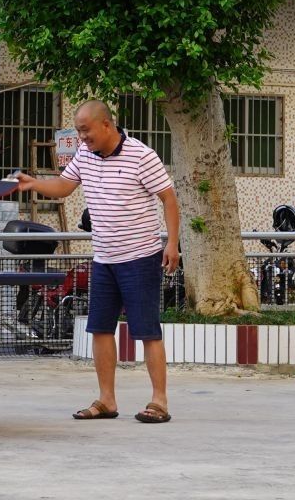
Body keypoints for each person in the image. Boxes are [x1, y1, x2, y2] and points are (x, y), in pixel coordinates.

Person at [16, 99, 180, 424]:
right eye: (79, 131)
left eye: (86, 130)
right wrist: (34, 183)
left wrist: (171, 244)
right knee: (100, 329)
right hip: (104, 258)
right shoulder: (84, 155)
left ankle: (159, 401)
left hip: (141, 257)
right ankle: (107, 400)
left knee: (147, 331)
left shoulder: (141, 155)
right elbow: (65, 186)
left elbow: (169, 198)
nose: (82, 137)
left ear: (106, 124)